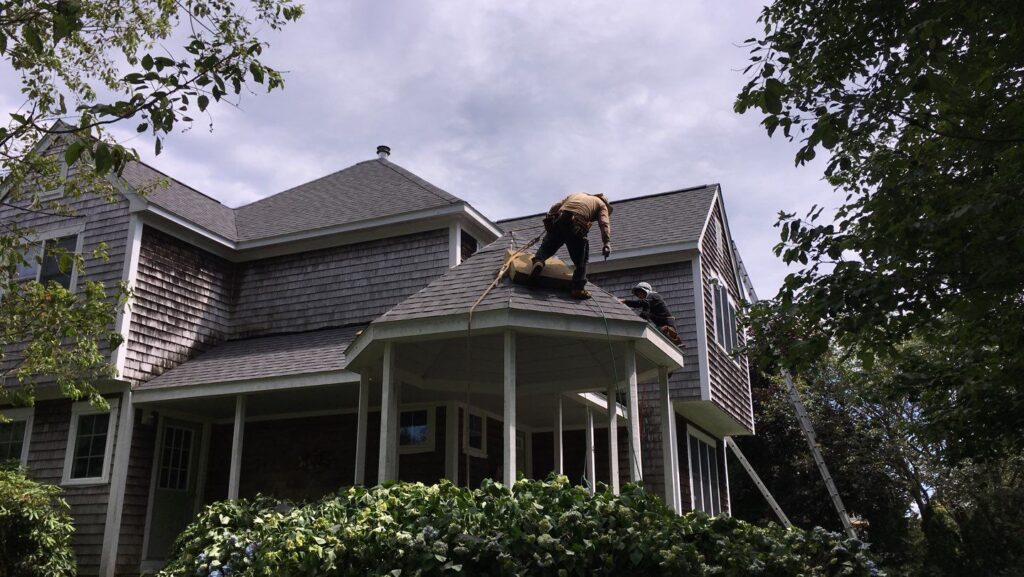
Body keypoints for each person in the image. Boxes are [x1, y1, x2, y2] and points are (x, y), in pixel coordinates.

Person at [529, 192, 612, 300]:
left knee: (547, 247)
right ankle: (578, 288)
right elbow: (604, 222)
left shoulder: (577, 194)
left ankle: (539, 262)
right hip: (577, 226)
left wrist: (550, 219)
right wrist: (606, 242)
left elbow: (555, 206)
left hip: (560, 219)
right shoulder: (602, 204)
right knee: (582, 261)